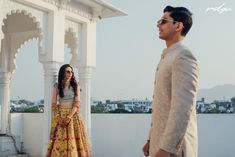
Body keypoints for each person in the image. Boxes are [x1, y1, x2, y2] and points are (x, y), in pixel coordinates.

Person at [142, 6, 199, 157]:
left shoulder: (183, 56)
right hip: (160, 143)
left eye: (163, 21)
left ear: (178, 26)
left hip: (175, 149)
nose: (158, 24)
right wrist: (150, 139)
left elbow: (182, 107)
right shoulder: (168, 57)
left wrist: (167, 148)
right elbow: (162, 105)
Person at [46, 64, 92, 157]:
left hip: (73, 116)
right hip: (60, 116)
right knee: (59, 141)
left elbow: (77, 103)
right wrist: (59, 117)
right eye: (68, 71)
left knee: (74, 141)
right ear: (63, 72)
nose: (70, 73)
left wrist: (69, 117)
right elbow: (54, 104)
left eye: (71, 72)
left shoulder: (75, 85)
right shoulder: (57, 86)